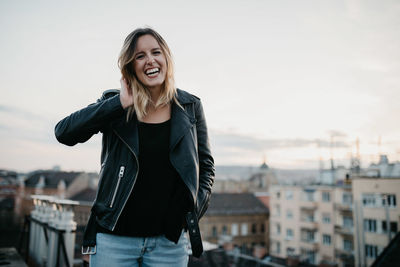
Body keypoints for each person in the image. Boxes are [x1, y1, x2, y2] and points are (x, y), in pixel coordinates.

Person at [54, 27, 215, 266]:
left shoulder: (190, 106)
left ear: (166, 59)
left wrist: (188, 215)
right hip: (113, 241)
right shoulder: (114, 105)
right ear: (130, 67)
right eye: (140, 56)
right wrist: (119, 104)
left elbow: (206, 167)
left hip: (168, 244)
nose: (150, 60)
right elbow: (64, 132)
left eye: (156, 52)